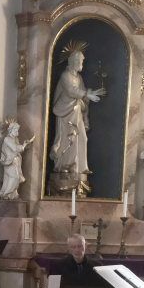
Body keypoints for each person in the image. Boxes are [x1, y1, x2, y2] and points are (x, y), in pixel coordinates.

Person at [48, 48, 105, 194]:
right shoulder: (65, 75)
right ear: (73, 61)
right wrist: (87, 94)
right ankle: (65, 166)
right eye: (80, 61)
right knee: (68, 139)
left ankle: (79, 167)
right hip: (65, 112)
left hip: (77, 112)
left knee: (82, 138)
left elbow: (83, 94)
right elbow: (71, 91)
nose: (82, 64)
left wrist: (90, 95)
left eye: (82, 61)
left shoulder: (79, 78)